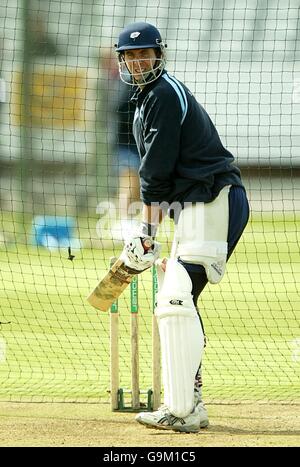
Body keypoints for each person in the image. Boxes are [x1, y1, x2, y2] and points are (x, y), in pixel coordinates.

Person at [114, 22, 249, 433]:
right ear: (122, 61)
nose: (139, 62)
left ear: (159, 55)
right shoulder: (143, 100)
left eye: (145, 54)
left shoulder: (162, 95)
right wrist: (151, 231)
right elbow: (163, 176)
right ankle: (191, 405)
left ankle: (184, 409)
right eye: (131, 56)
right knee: (179, 302)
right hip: (194, 205)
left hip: (213, 198)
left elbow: (155, 171)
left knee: (174, 297)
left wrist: (145, 231)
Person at [98, 48, 140, 240]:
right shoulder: (113, 81)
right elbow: (116, 107)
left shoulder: (129, 78)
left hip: (140, 143)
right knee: (128, 180)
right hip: (125, 142)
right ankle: (123, 223)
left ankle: (129, 222)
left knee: (137, 184)